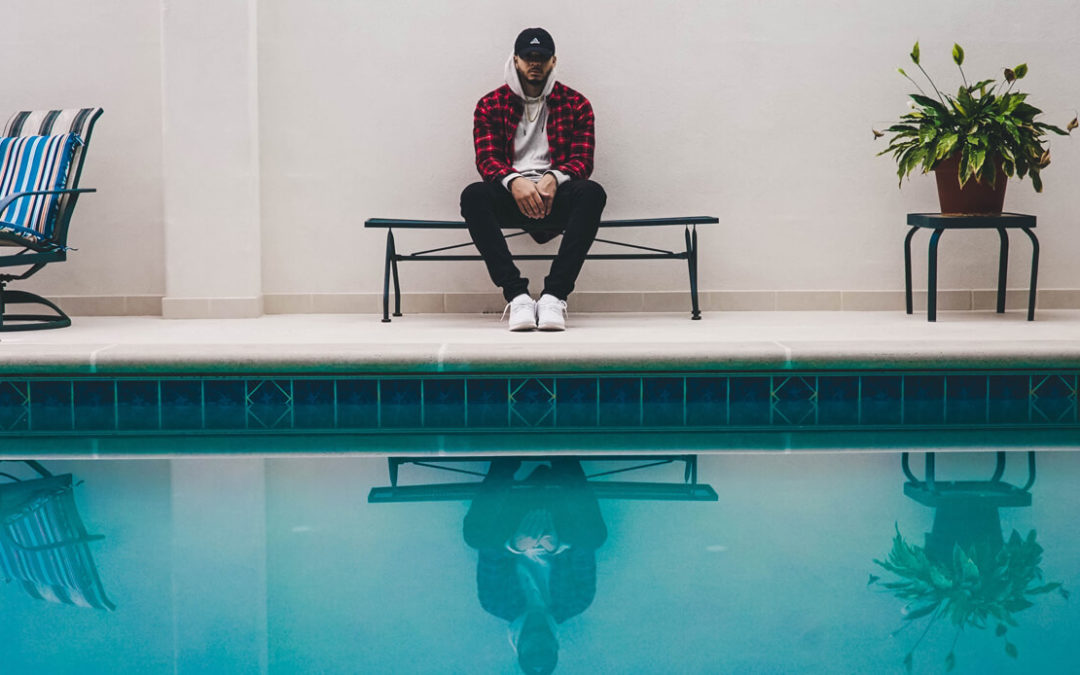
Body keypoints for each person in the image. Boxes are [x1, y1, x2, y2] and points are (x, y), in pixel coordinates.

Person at [461, 28, 607, 332]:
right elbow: (487, 160)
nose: (535, 63)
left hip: (557, 196)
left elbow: (583, 160)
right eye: (528, 57)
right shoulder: (490, 104)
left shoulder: (576, 104)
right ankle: (517, 297)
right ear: (516, 60)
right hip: (510, 195)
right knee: (473, 196)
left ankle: (555, 295)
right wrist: (515, 182)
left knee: (592, 193)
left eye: (542, 57)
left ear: (553, 61)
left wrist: (553, 178)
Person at [463, 458, 608, 674]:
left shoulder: (495, 603)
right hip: (559, 517)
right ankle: (562, 453)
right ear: (555, 647)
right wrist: (557, 546)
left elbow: (489, 555)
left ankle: (505, 456)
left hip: (511, 518)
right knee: (594, 537)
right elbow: (585, 552)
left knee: (475, 537)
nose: (538, 645)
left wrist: (515, 544)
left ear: (519, 648)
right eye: (544, 651)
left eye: (533, 651)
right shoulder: (577, 602)